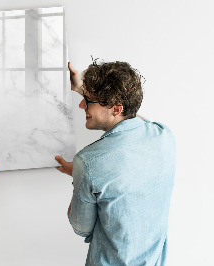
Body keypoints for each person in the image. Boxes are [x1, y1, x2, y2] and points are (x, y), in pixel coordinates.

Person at [55, 60, 176, 265]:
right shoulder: (164, 136)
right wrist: (82, 89)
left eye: (88, 100)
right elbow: (132, 117)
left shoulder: (88, 162)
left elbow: (81, 227)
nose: (81, 104)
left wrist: (80, 176)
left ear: (116, 108)